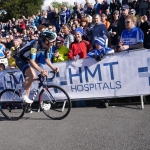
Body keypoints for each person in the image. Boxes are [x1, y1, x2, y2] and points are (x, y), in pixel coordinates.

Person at [13, 31, 59, 104]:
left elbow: (46, 59)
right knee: (33, 75)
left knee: (29, 80)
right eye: (52, 41)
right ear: (46, 41)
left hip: (27, 59)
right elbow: (32, 61)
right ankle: (23, 96)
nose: (54, 43)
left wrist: (53, 68)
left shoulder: (47, 46)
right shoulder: (35, 44)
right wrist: (41, 71)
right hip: (20, 58)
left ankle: (25, 104)